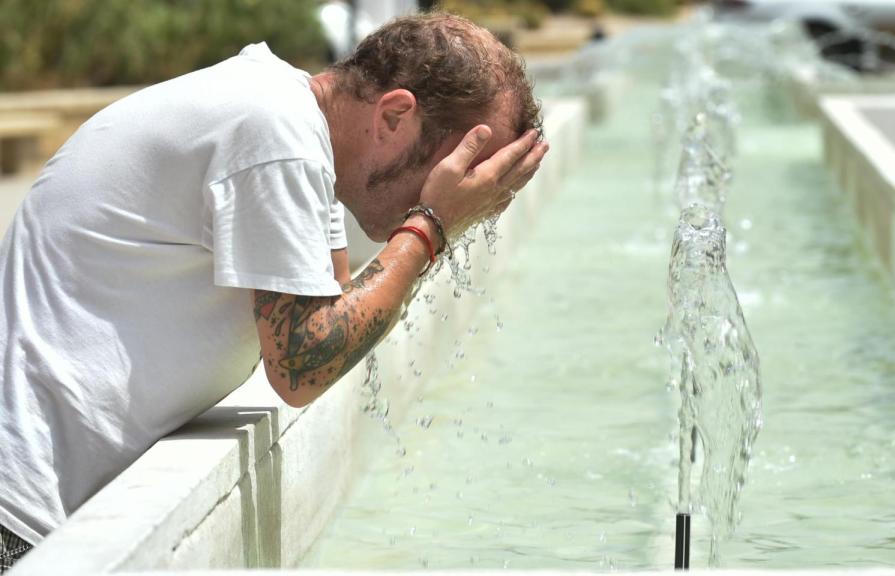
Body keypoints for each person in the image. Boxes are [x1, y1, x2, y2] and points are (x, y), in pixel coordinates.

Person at [0, 12, 547, 572]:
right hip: (15, 519)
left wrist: (428, 225)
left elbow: (341, 315)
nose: (466, 190)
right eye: (464, 167)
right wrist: (431, 224)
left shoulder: (295, 126)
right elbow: (304, 363)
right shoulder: (275, 132)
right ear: (394, 116)